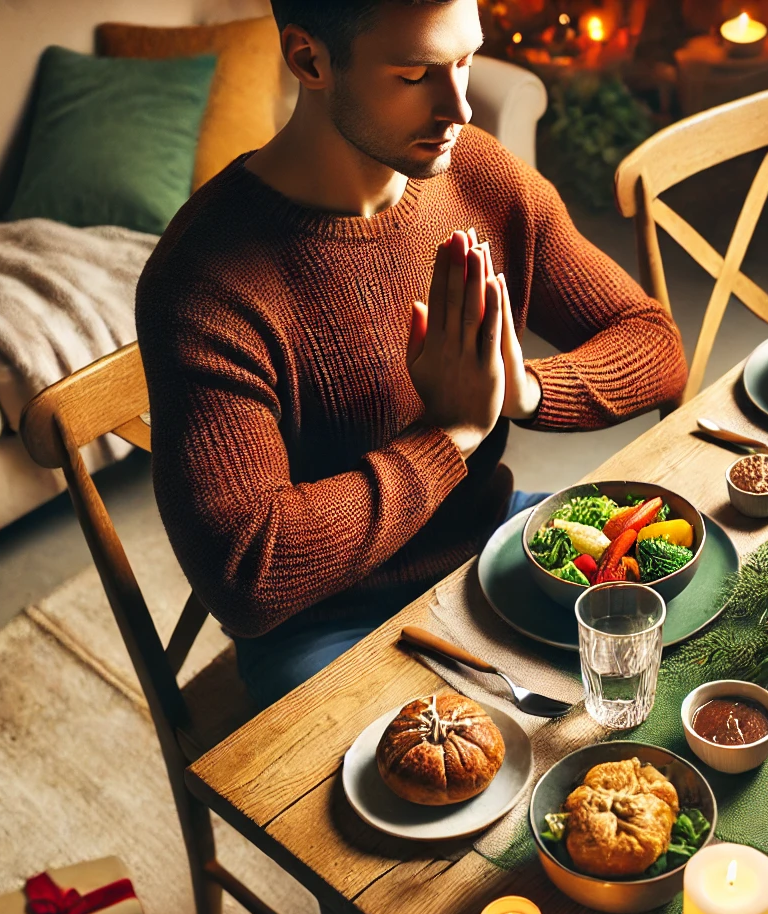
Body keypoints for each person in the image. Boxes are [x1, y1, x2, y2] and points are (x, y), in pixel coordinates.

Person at [136, 0, 686, 708]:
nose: (457, 106)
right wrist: (449, 438)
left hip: (492, 540)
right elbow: (248, 576)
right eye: (415, 75)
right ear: (310, 60)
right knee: (464, 793)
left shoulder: (480, 176)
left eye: (464, 61)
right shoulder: (205, 281)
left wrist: (520, 391)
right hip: (326, 624)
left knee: (697, 649)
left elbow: (652, 340)